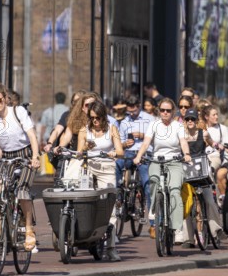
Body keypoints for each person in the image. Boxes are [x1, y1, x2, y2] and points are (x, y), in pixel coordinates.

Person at [0, 82, 40, 252]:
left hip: (25, 155)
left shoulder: (18, 112)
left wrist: (35, 156)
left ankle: (28, 229)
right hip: (7, 157)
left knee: (22, 190)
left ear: (5, 99)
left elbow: (32, 135)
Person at [134, 98, 192, 237]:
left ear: (173, 112)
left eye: (168, 110)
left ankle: (177, 226)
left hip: (174, 161)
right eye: (162, 110)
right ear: (159, 111)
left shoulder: (178, 126)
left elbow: (183, 142)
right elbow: (146, 143)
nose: (165, 113)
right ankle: (155, 210)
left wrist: (187, 154)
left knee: (174, 190)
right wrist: (139, 156)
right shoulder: (154, 125)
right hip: (157, 160)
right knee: (152, 181)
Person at [76, 101, 124, 261]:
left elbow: (120, 151)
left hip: (107, 169)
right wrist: (85, 149)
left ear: (104, 117)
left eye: (97, 118)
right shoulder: (85, 130)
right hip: (89, 167)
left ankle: (111, 248)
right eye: (92, 118)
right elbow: (78, 153)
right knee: (83, 200)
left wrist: (113, 153)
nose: (94, 121)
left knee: (110, 208)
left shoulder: (112, 129)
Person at [179, 108, 224, 247]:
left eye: (193, 119)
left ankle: (216, 231)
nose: (190, 121)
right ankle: (188, 238)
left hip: (201, 170)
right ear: (185, 121)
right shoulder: (181, 135)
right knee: (186, 203)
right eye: (188, 119)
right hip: (187, 171)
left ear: (197, 121)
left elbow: (211, 142)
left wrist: (217, 145)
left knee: (209, 200)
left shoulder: (203, 133)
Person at [116, 95, 155, 237]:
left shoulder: (149, 119)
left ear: (139, 106)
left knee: (148, 184)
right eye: (129, 111)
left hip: (143, 153)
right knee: (116, 165)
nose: (131, 114)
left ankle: (153, 224)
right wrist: (125, 144)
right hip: (128, 152)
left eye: (134, 111)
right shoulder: (124, 122)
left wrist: (143, 135)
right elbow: (119, 143)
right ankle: (118, 195)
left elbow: (157, 138)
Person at [201, 104, 228, 172]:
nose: (216, 117)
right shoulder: (201, 128)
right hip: (203, 157)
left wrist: (225, 163)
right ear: (207, 117)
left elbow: (227, 147)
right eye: (214, 115)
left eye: (217, 114)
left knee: (210, 170)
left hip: (215, 157)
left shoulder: (222, 128)